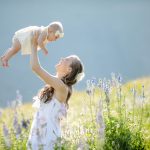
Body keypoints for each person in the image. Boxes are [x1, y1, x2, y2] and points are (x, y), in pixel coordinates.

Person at [26, 41, 85, 149]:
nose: (62, 58)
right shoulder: (54, 84)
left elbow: (35, 67)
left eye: (66, 60)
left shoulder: (62, 87)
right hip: (38, 135)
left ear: (69, 70)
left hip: (48, 139)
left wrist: (34, 45)